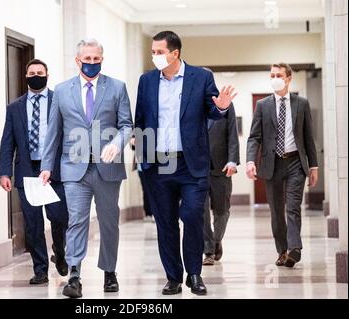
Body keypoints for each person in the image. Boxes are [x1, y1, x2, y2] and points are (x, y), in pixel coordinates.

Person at [135, 31, 237, 296]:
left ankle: (194, 273)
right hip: (158, 165)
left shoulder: (200, 77)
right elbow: (141, 120)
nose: (155, 56)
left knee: (192, 216)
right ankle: (173, 278)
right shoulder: (146, 81)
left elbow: (213, 109)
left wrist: (222, 107)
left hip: (191, 164)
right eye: (153, 52)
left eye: (159, 52)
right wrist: (142, 156)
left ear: (175, 53)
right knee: (165, 222)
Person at [39, 39, 133, 298]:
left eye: (96, 59)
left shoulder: (116, 88)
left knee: (108, 222)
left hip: (108, 169)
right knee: (77, 221)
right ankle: (74, 275)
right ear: (77, 60)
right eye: (87, 59)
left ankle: (109, 272)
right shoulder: (62, 91)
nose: (92, 63)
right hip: (74, 169)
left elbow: (127, 125)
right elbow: (53, 133)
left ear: (102, 59)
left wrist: (117, 143)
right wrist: (47, 166)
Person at [0, 59, 69, 285]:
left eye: (40, 72)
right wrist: (4, 172)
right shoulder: (14, 108)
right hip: (28, 171)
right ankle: (40, 269)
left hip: (55, 170)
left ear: (47, 75)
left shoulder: (60, 101)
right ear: (26, 76)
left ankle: (59, 250)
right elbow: (7, 142)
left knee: (59, 216)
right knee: (33, 223)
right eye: (32, 72)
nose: (36, 75)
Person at [246, 63, 319, 268]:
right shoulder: (262, 105)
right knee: (277, 211)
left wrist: (313, 166)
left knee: (293, 206)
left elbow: (308, 138)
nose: (274, 78)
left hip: (296, 161)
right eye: (272, 75)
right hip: (272, 164)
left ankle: (295, 248)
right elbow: (254, 137)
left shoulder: (301, 103)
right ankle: (283, 250)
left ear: (288, 78)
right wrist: (251, 161)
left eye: (279, 75)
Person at [203, 103, 240, 266]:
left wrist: (233, 160)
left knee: (222, 210)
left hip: (221, 166)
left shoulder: (225, 104)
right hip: (197, 169)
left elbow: (233, 133)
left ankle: (216, 240)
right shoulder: (189, 102)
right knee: (200, 210)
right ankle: (208, 250)